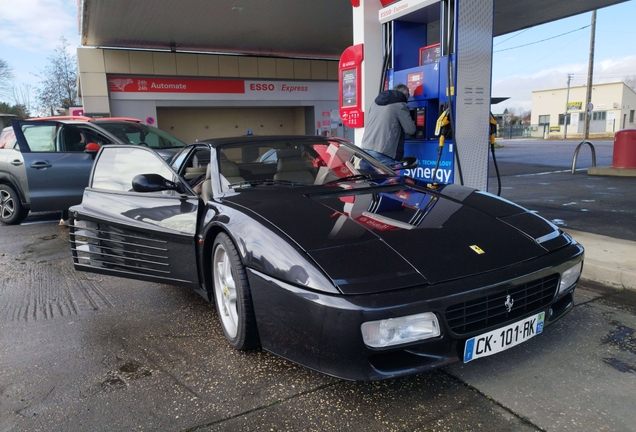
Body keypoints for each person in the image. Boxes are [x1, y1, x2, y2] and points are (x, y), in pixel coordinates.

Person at [361, 83, 416, 166]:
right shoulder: (400, 106)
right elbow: (411, 130)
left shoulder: (375, 104)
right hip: (382, 153)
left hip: (365, 150)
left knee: (367, 178)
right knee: (385, 179)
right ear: (405, 95)